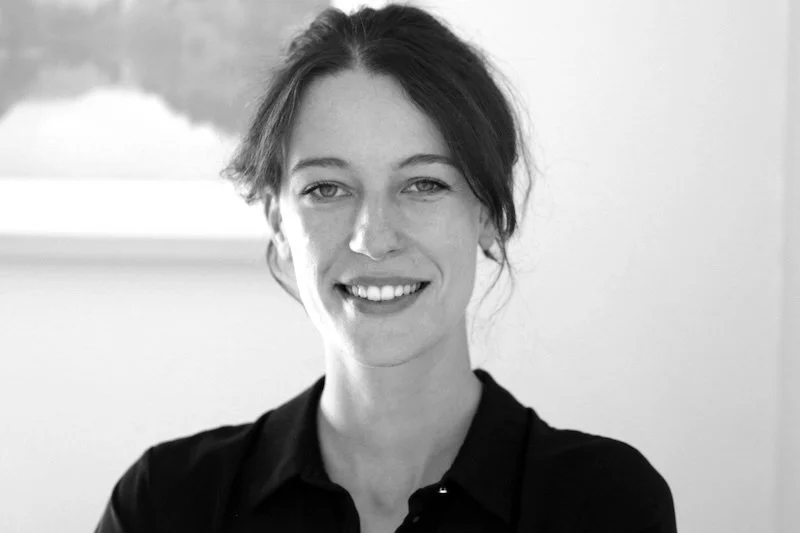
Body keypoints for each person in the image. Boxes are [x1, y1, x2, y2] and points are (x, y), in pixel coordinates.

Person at [95, 3, 676, 532]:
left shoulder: (603, 503)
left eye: (424, 184)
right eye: (327, 188)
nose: (373, 238)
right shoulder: (165, 502)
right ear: (278, 221)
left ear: (490, 214)